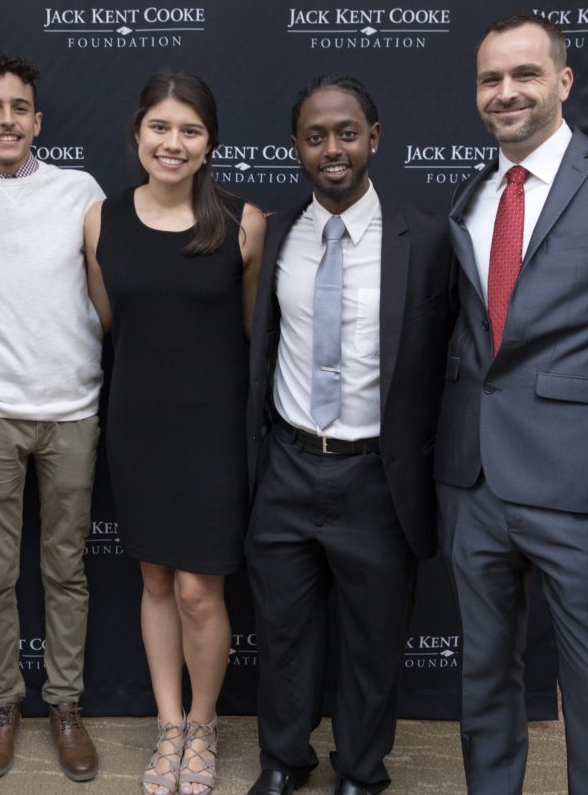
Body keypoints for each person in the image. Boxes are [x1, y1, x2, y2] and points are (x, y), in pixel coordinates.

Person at [435, 13, 588, 795]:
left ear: (563, 81)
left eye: (525, 74)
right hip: (477, 484)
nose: (506, 92)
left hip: (585, 492)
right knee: (484, 682)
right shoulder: (474, 196)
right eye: (491, 79)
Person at [243, 75, 452, 795]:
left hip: (378, 477)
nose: (332, 149)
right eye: (315, 136)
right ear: (296, 147)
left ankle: (362, 771)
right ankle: (283, 759)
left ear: (374, 138)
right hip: (290, 466)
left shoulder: (426, 238)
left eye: (346, 133)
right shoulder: (271, 236)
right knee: (283, 637)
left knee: (373, 644)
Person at [85, 70, 266, 795]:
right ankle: (168, 724)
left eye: (189, 130)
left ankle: (204, 722)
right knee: (154, 578)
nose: (173, 142)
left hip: (215, 433)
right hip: (138, 425)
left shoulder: (245, 222)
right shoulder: (100, 220)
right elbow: (110, 323)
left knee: (200, 590)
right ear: (137, 135)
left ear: (209, 143)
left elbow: (254, 333)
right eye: (160, 127)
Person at [0, 51, 105, 782]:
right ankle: (3, 704)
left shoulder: (80, 191)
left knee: (65, 569)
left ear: (37, 121)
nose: (6, 120)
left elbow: (106, 294)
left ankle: (65, 705)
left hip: (74, 411)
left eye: (19, 108)